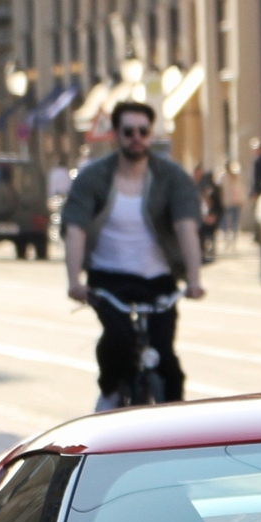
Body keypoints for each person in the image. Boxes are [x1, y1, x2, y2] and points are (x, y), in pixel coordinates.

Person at [62, 100, 207, 409]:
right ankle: (110, 394)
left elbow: (186, 228)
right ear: (116, 133)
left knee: (166, 359)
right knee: (119, 342)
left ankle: (174, 425)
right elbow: (76, 229)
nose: (136, 138)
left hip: (157, 280)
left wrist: (194, 280)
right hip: (108, 280)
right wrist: (75, 281)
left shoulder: (171, 177)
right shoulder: (94, 177)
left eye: (143, 131)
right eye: (128, 132)